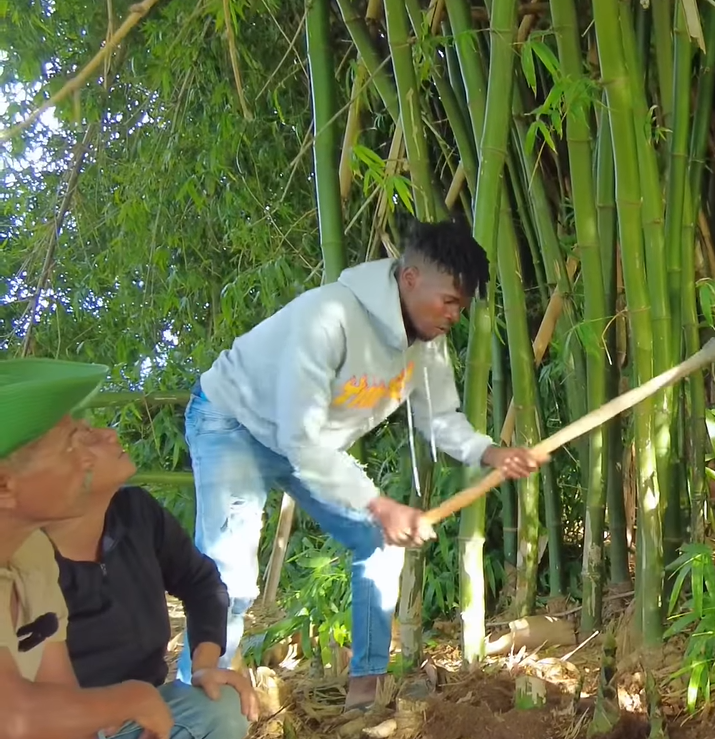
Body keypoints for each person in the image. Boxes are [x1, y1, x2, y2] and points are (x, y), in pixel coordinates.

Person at [182, 213, 549, 710]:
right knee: (230, 575)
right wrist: (380, 503)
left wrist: (490, 452)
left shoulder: (425, 345)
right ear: (411, 278)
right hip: (234, 422)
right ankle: (197, 707)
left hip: (307, 445)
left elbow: (440, 417)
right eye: (449, 302)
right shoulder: (329, 316)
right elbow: (300, 439)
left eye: (460, 308)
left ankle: (366, 692)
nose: (453, 317)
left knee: (378, 543)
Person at [46, 420, 258, 739]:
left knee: (222, 707)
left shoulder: (136, 514)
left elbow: (201, 583)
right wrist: (95, 712)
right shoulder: (20, 559)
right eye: (84, 439)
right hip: (52, 725)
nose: (110, 433)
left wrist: (204, 665)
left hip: (142, 717)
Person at [0, 357, 175, 739]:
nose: (86, 459)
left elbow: (57, 691)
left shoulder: (31, 553)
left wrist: (92, 713)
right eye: (68, 446)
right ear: (4, 484)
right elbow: (14, 719)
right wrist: (129, 698)